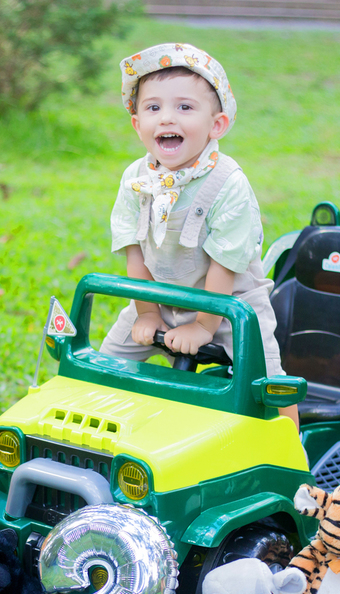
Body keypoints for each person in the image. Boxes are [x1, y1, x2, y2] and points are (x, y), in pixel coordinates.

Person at [102, 43, 298, 431]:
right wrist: (147, 313)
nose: (166, 118)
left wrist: (205, 326)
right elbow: (134, 256)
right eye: (153, 108)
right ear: (136, 123)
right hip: (159, 296)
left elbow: (226, 265)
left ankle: (293, 459)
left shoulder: (229, 184)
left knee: (269, 381)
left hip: (231, 303)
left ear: (217, 125)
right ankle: (96, 440)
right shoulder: (135, 179)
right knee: (105, 367)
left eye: (185, 108)